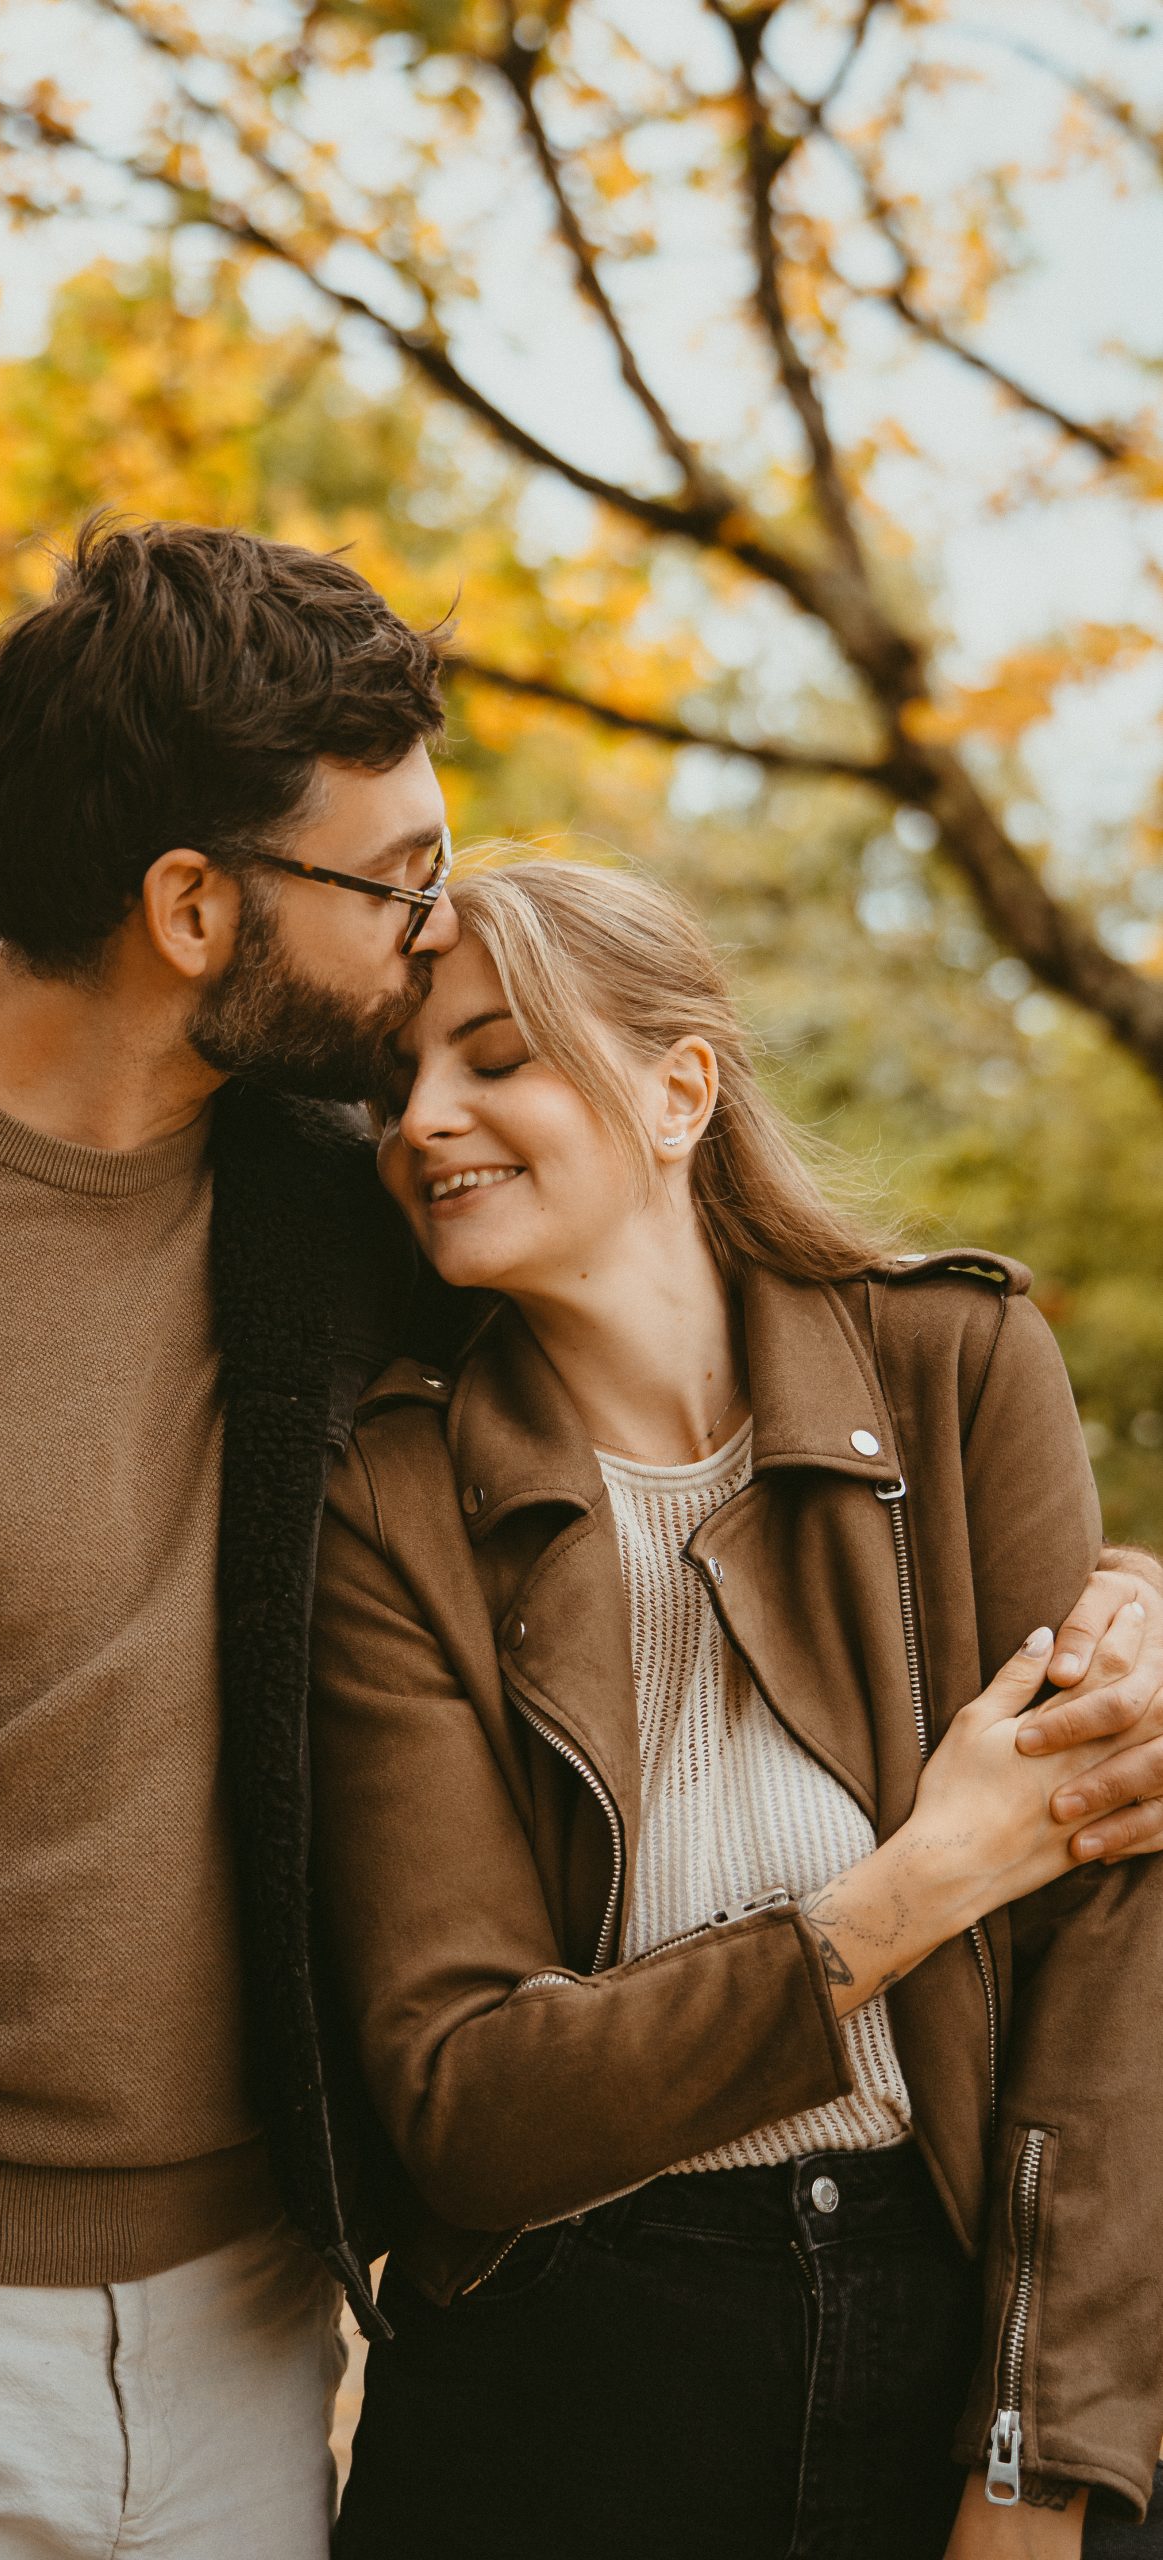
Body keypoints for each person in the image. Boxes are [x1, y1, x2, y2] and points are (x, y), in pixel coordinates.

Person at [0, 531, 1159, 2560]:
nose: (431, 939)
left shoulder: (351, 1225)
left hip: (247, 2353)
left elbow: (707, 1342)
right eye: (399, 881)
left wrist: (1120, 1612)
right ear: (193, 906)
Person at [310, 858, 1163, 2560]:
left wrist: (1034, 2458)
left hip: (953, 2326)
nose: (422, 1120)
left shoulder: (956, 1368)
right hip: (559, 2373)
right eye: (397, 1080)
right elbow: (468, 2103)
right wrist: (914, 1886)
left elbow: (1109, 1932)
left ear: (679, 1091)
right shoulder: (387, 1499)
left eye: (495, 1056)